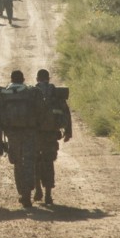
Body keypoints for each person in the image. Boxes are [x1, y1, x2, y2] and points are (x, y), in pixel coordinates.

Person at [0, 69, 48, 209]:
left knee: (18, 162)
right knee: (30, 161)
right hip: (30, 132)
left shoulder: (3, 94)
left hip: (12, 133)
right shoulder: (32, 93)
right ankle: (27, 192)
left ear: (11, 79)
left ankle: (22, 192)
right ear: (23, 79)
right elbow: (42, 111)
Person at [34, 69, 72, 205]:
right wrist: (68, 132)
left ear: (37, 78)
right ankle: (48, 194)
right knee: (48, 162)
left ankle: (38, 188)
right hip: (51, 134)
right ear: (48, 79)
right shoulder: (56, 92)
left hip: (36, 134)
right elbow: (66, 112)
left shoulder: (33, 92)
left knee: (36, 161)